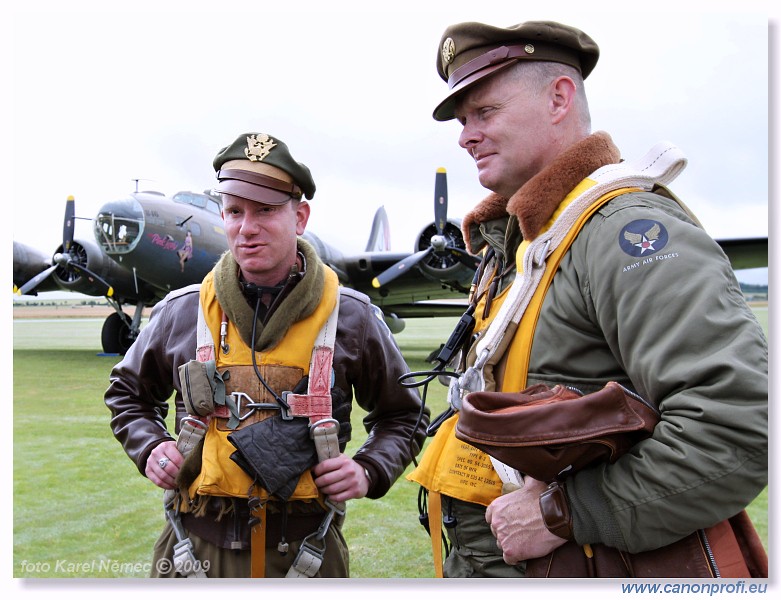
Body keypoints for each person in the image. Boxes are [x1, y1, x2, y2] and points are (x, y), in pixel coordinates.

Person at [407, 20, 768, 577]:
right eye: (461, 121)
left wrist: (562, 512)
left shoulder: (625, 231)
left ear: (559, 98)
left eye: (485, 112)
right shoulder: (522, 245)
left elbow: (738, 423)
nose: (464, 136)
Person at [105, 132, 429, 578]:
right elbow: (126, 394)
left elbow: (405, 414)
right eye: (235, 211)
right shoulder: (182, 312)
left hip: (306, 554)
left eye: (266, 210)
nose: (247, 227)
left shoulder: (351, 317)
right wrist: (151, 446)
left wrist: (369, 470)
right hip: (192, 550)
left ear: (300, 217)